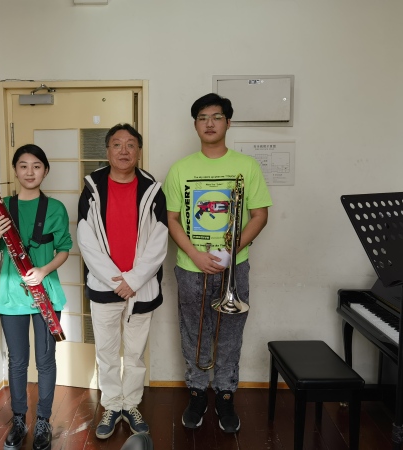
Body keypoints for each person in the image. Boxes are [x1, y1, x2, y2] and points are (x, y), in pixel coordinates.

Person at [163, 93, 272, 433]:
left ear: (228, 122)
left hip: (234, 266)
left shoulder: (247, 166)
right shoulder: (180, 169)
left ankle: (225, 395)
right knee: (192, 333)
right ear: (195, 124)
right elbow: (172, 219)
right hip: (191, 267)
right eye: (202, 118)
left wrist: (230, 252)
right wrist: (196, 255)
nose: (209, 123)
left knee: (229, 334)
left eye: (217, 117)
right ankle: (197, 393)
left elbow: (260, 215)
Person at [77, 124, 168, 439]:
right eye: (117, 144)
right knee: (106, 351)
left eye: (131, 144)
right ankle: (112, 405)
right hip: (105, 287)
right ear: (108, 150)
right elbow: (86, 239)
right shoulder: (92, 189)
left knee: (135, 352)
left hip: (142, 287)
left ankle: (131, 404)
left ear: (139, 151)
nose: (124, 150)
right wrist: (117, 280)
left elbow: (159, 240)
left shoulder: (152, 190)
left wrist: (133, 280)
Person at [0, 144, 72, 450]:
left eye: (36, 166)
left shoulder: (56, 208)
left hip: (46, 295)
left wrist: (43, 270)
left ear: (45, 171)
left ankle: (43, 420)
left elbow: (64, 249)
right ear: (15, 170)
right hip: (11, 297)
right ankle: (19, 419)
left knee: (46, 361)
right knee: (17, 361)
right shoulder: (1, 207)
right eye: (23, 165)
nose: (30, 172)